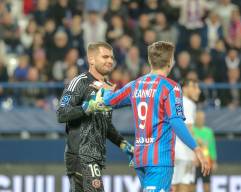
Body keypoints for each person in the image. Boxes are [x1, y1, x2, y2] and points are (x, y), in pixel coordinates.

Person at [97, 41, 210, 191]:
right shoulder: (171, 87)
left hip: (141, 159)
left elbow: (108, 102)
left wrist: (104, 91)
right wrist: (196, 148)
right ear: (170, 61)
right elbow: (176, 121)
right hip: (159, 160)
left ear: (150, 61)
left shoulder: (135, 84)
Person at [56, 42, 134, 192]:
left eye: (111, 57)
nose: (110, 61)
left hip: (95, 157)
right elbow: (61, 113)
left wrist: (124, 145)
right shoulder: (79, 82)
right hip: (81, 154)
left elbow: (105, 124)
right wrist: (88, 106)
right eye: (105, 56)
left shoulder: (109, 87)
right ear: (91, 59)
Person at [172, 77, 201, 192]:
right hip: (184, 152)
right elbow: (188, 129)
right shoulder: (187, 103)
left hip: (177, 152)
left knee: (177, 185)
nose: (198, 90)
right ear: (184, 88)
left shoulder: (177, 102)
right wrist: (196, 151)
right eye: (194, 87)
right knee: (182, 185)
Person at [193, 111, 217, 192]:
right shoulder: (191, 130)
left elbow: (212, 147)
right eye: (199, 118)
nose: (200, 120)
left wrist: (214, 161)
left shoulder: (209, 132)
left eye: (202, 118)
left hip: (206, 162)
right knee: (192, 185)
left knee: (207, 184)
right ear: (195, 119)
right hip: (195, 162)